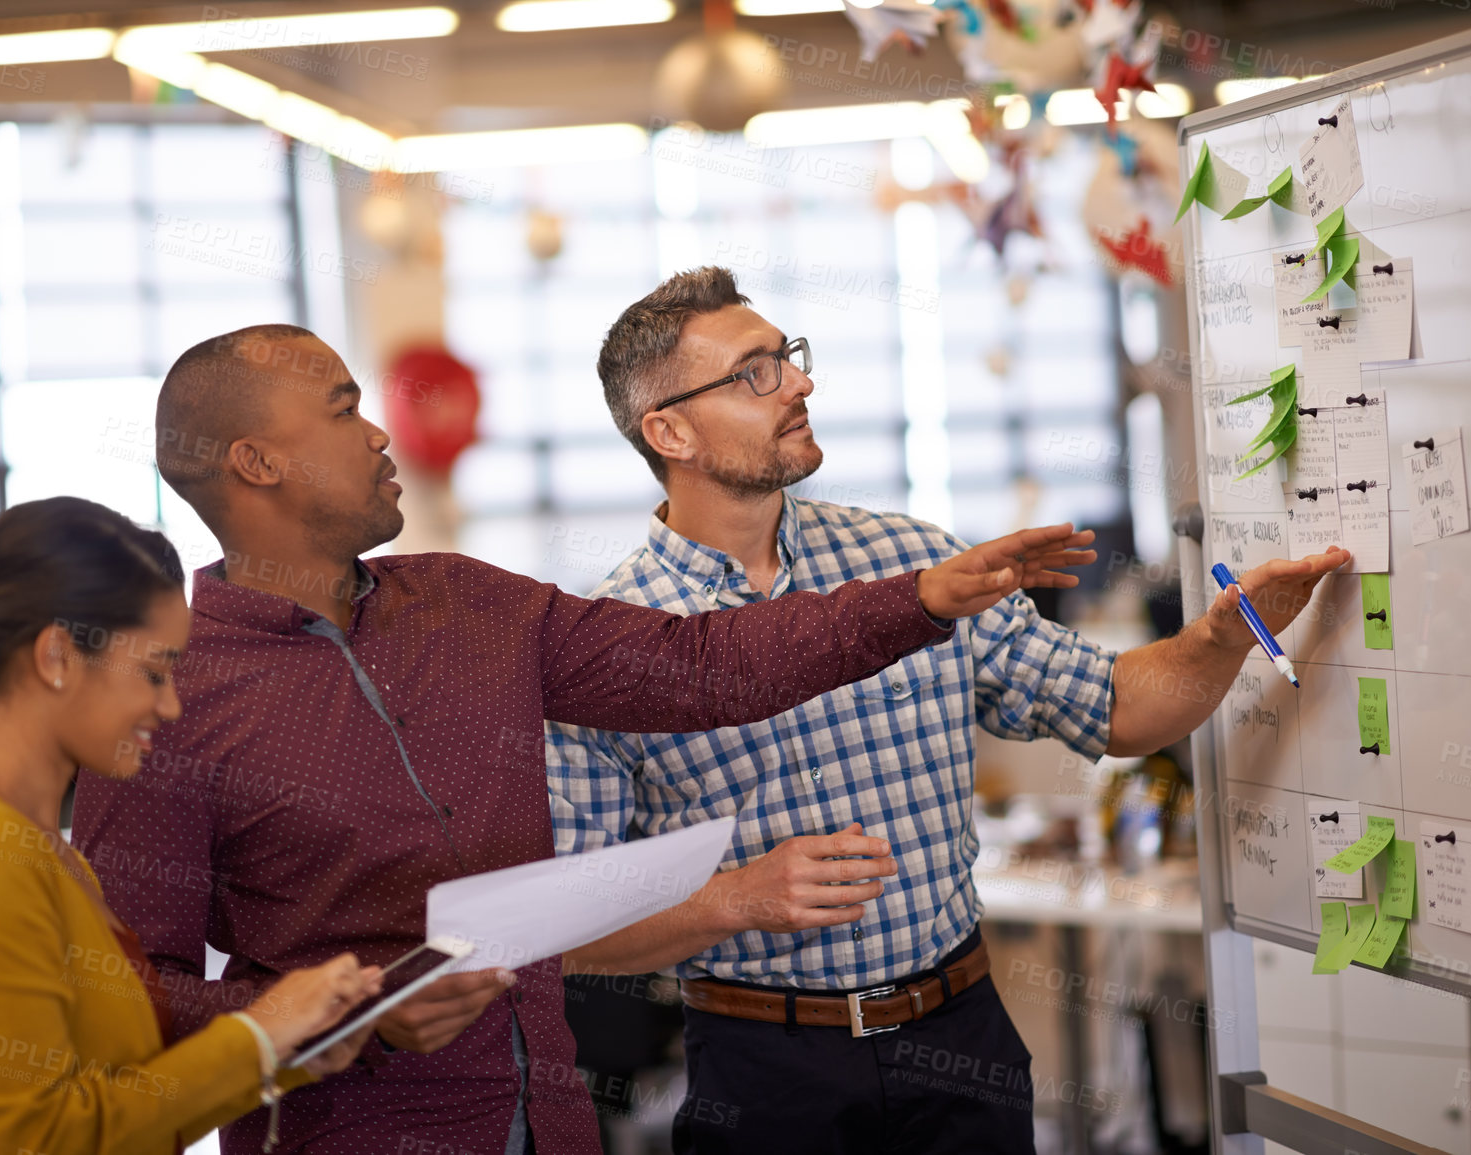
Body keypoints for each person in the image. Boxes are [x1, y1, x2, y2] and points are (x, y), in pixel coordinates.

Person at [68, 323, 1097, 1155]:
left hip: (553, 1122)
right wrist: (342, 1021)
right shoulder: (168, 697)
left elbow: (708, 665)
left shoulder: (469, 604)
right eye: (344, 411)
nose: (379, 434)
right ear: (257, 462)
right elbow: (124, 1007)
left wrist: (918, 598)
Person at [545, 267, 1350, 1154]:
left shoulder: (910, 559)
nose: (800, 383)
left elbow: (1115, 705)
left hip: (959, 1043)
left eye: (789, 357)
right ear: (670, 430)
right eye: (754, 372)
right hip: (764, 1071)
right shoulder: (606, 643)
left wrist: (1220, 638)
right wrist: (735, 899)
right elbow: (574, 932)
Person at [0, 496, 385, 1155]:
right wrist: (257, 1032)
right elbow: (38, 1139)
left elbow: (118, 1101)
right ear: (57, 655)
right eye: (153, 671)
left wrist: (286, 1051)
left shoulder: (47, 852)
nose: (170, 704)